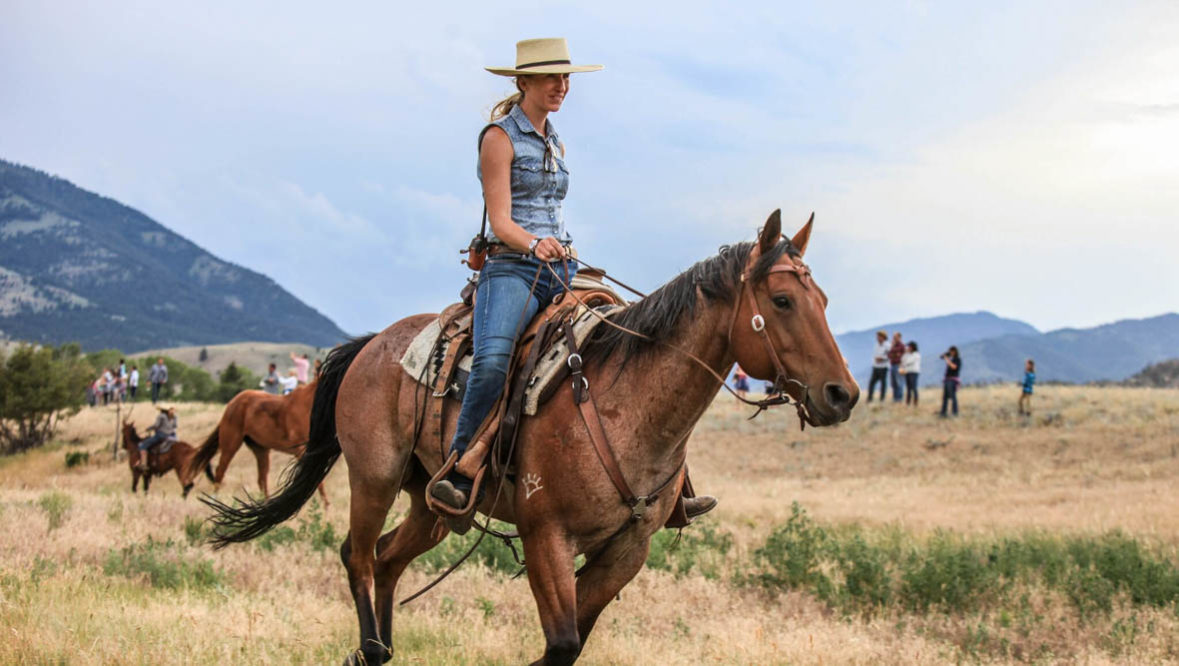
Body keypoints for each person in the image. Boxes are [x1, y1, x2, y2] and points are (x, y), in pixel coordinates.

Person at [429, 38, 716, 520]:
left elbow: (552, 211)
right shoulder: (498, 138)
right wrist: (534, 242)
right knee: (496, 359)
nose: (561, 86)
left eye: (565, 78)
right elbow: (501, 222)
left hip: (560, 270)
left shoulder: (555, 139)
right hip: (512, 269)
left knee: (634, 340)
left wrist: (561, 242)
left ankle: (672, 483)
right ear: (523, 82)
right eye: (550, 77)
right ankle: (459, 467)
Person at [136, 406, 178, 471]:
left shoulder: (161, 416)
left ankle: (143, 464)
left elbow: (156, 426)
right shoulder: (174, 417)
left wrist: (149, 428)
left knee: (143, 445)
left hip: (161, 435)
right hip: (172, 436)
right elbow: (175, 426)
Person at [939, 346, 962, 417]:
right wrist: (945, 355)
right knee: (945, 397)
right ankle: (943, 412)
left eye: (951, 351)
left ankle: (955, 412)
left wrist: (947, 359)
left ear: (954, 352)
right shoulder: (951, 358)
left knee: (953, 396)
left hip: (953, 380)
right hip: (947, 379)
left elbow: (954, 367)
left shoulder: (957, 359)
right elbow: (941, 357)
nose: (950, 353)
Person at [867, 331, 889, 402]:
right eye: (877, 336)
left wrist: (882, 358)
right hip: (876, 366)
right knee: (872, 383)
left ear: (883, 337)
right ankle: (870, 398)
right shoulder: (876, 345)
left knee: (883, 383)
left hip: (883, 367)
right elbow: (874, 354)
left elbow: (889, 355)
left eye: (879, 336)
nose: (878, 338)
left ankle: (882, 398)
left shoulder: (887, 345)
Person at [900, 341, 921, 406]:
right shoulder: (907, 354)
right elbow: (902, 360)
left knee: (913, 387)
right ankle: (908, 402)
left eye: (909, 347)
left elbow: (908, 362)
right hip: (907, 372)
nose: (908, 348)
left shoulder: (916, 354)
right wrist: (905, 354)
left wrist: (904, 362)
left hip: (914, 372)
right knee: (908, 388)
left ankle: (915, 402)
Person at [888, 332, 905, 403]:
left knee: (899, 382)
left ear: (899, 337)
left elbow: (901, 355)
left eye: (895, 337)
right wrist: (895, 354)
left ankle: (899, 398)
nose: (894, 338)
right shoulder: (893, 346)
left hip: (899, 365)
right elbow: (889, 355)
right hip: (892, 365)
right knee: (894, 383)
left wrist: (894, 353)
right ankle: (895, 398)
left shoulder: (901, 345)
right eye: (893, 337)